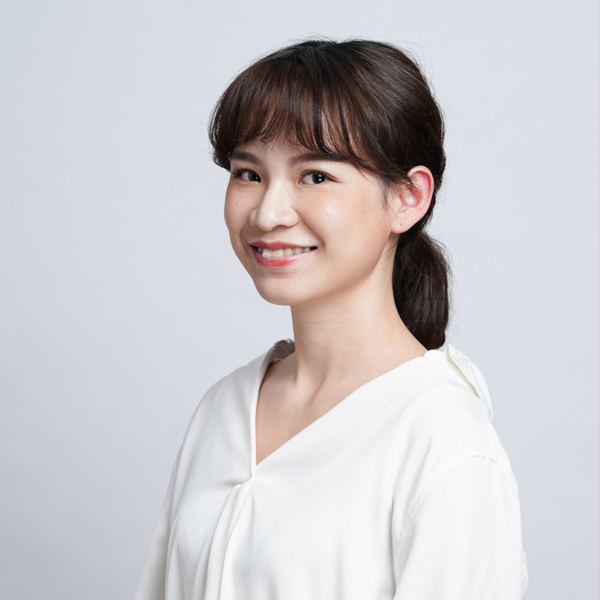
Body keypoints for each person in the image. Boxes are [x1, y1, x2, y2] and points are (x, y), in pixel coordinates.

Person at [134, 38, 528, 599]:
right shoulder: (224, 408)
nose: (268, 213)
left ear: (408, 198)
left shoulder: (441, 437)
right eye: (248, 173)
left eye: (315, 176)